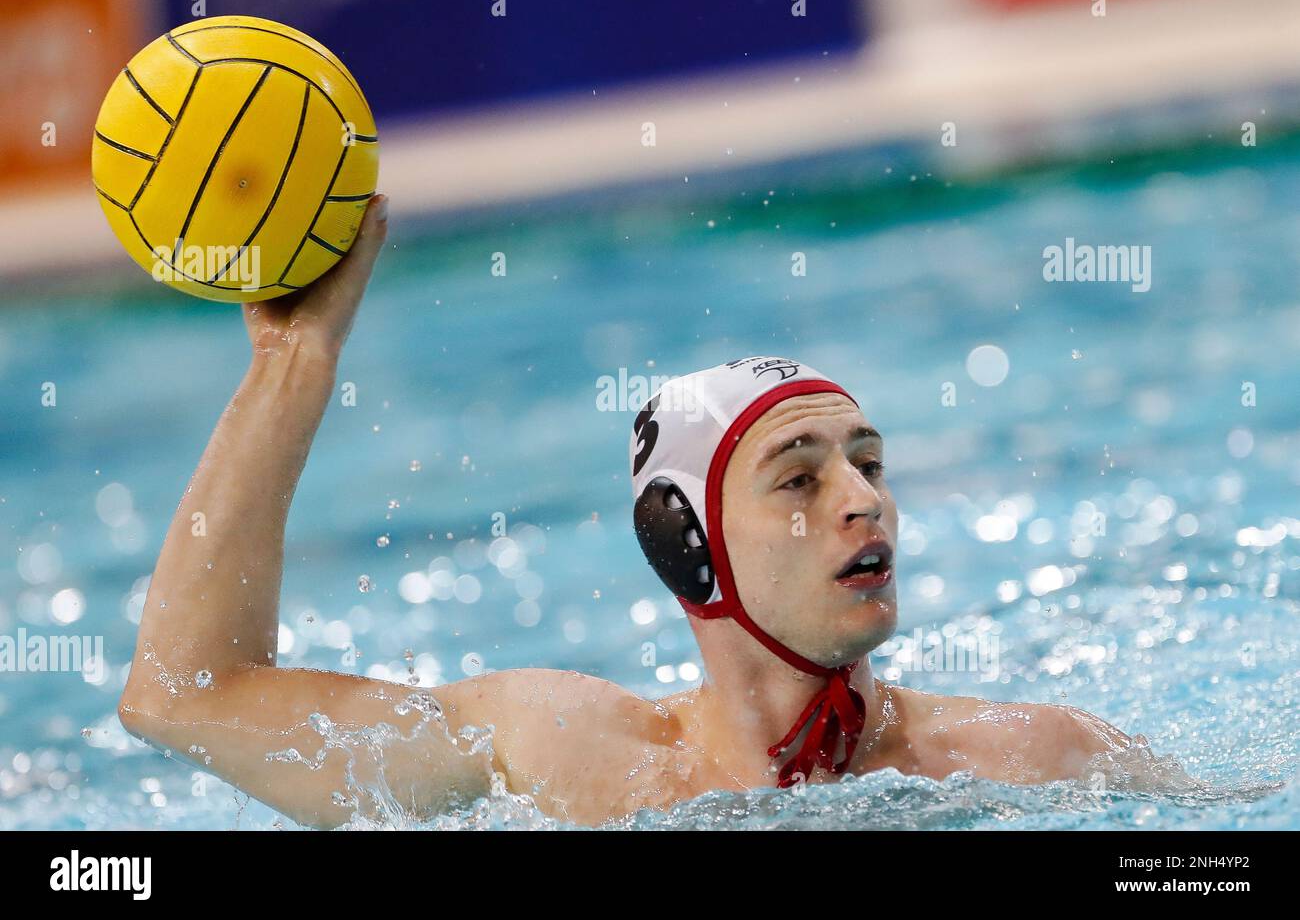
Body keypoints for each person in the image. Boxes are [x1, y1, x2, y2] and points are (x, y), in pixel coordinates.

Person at [118, 195, 1133, 828]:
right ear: (685, 543)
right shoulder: (560, 755)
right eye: (799, 475)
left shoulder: (1033, 755)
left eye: (868, 462)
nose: (866, 499)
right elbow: (183, 694)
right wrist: (290, 366)